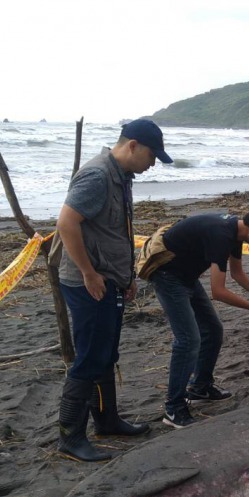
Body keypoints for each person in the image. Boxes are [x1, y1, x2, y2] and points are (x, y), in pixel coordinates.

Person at [55, 119, 172, 462]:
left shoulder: (122, 176)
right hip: (88, 283)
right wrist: (89, 273)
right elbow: (66, 223)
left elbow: (116, 230)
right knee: (89, 358)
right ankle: (70, 437)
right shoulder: (97, 175)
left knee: (106, 354)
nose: (153, 163)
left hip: (110, 279)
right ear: (133, 145)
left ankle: (107, 420)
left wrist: (126, 276)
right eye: (152, 155)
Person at [149, 206, 249, 428]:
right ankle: (173, 408)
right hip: (168, 277)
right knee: (188, 340)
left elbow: (237, 273)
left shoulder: (235, 232)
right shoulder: (221, 235)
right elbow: (218, 292)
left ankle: (200, 387)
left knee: (213, 330)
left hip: (187, 276)